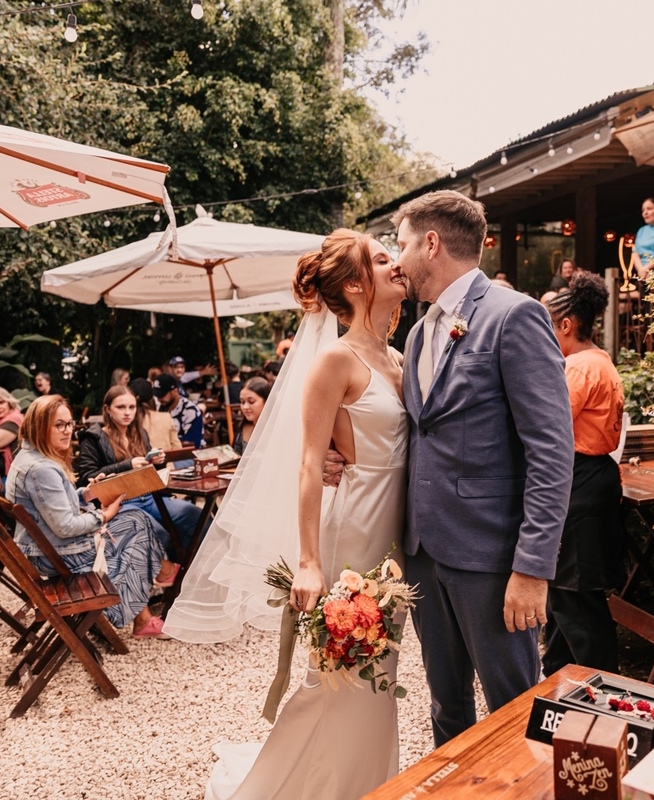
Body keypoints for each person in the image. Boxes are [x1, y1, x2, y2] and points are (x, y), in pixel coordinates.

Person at [167, 229, 409, 799]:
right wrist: (307, 561)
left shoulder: (398, 357)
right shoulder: (334, 359)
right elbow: (307, 463)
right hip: (354, 534)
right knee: (340, 674)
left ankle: (367, 782)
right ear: (354, 285)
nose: (395, 264)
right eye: (380, 259)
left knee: (380, 676)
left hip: (398, 540)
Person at [393, 190, 573, 746]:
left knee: (517, 712)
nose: (396, 260)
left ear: (431, 243)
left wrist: (533, 568)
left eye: (400, 245)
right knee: (448, 708)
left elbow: (551, 449)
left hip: (494, 562)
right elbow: (415, 432)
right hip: (424, 554)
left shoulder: (513, 315)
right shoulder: (420, 331)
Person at [7, 395, 172, 638]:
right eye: (59, 425)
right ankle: (156, 582)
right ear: (39, 426)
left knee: (135, 520)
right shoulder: (41, 468)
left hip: (44, 548)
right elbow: (65, 526)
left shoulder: (28, 456)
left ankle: (145, 607)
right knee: (136, 524)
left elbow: (52, 507)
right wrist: (102, 516)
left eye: (70, 424)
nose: (67, 431)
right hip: (54, 556)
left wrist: (87, 494)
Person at [542, 273, 626, 674]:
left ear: (566, 325)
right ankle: (556, 673)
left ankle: (603, 685)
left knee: (574, 596)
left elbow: (548, 425)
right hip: (594, 479)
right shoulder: (601, 361)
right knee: (568, 593)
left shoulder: (577, 367)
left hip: (579, 482)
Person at [76, 385, 202, 580]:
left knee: (194, 515)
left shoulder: (139, 432)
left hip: (150, 497)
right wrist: (127, 465)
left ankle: (191, 572)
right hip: (118, 504)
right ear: (108, 409)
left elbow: (150, 474)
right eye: (121, 407)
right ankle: (163, 579)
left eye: (132, 407)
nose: (127, 413)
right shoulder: (93, 437)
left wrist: (159, 462)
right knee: (158, 532)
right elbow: (88, 478)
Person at [153, 373, 205, 447]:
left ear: (174, 391)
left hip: (189, 454)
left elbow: (190, 444)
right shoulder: (161, 407)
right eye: (157, 396)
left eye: (162, 395)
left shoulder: (190, 410)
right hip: (165, 452)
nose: (159, 399)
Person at [233, 377, 271, 455]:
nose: (245, 407)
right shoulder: (243, 427)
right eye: (242, 402)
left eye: (251, 401)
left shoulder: (276, 429)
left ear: (267, 401)